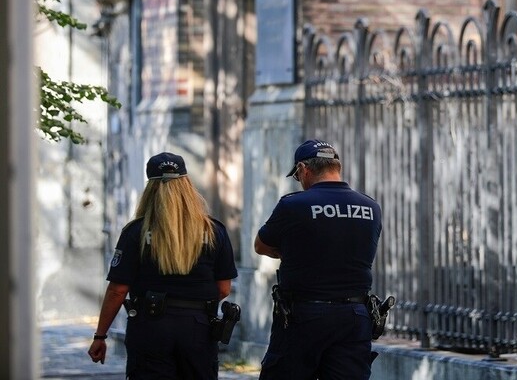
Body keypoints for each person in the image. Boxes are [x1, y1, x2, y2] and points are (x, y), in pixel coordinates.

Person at [87, 151, 239, 379]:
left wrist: (100, 336)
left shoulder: (136, 232)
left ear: (150, 188)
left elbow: (118, 290)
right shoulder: (213, 230)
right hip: (198, 327)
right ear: (187, 185)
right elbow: (224, 289)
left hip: (150, 326)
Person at [255, 139, 383, 380]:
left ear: (303, 169)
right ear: (337, 167)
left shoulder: (294, 205)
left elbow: (260, 245)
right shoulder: (371, 207)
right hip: (354, 316)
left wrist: (294, 253)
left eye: (297, 176)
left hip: (304, 315)